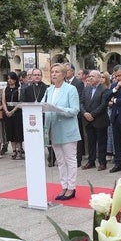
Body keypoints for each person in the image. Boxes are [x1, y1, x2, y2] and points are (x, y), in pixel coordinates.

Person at [43, 63, 81, 201]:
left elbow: (75, 110)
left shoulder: (71, 89)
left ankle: (71, 188)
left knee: (70, 160)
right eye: (52, 71)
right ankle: (63, 186)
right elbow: (42, 105)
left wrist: (58, 109)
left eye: (57, 72)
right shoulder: (49, 90)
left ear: (64, 74)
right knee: (60, 160)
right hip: (53, 129)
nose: (53, 74)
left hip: (67, 130)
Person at [80, 70, 110, 171]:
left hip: (99, 120)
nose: (91, 78)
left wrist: (92, 114)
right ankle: (91, 161)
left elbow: (103, 105)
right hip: (88, 120)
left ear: (98, 77)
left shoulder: (104, 89)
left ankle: (102, 162)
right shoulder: (86, 89)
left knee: (101, 142)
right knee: (90, 142)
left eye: (93, 76)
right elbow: (81, 102)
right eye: (90, 76)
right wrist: (84, 113)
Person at [21, 68, 47, 162]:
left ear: (41, 76)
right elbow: (22, 102)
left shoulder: (47, 88)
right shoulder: (27, 89)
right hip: (32, 118)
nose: (36, 76)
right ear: (31, 76)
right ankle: (34, 156)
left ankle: (50, 157)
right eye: (35, 75)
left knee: (46, 137)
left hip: (44, 116)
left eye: (38, 75)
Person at [65, 63, 85, 167]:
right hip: (64, 115)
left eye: (67, 70)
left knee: (76, 138)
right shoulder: (62, 83)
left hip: (75, 115)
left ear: (72, 71)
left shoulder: (78, 83)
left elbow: (80, 99)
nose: (65, 72)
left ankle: (78, 159)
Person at [2, 72, 24, 160]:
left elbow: (20, 102)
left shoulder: (18, 89)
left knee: (17, 132)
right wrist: (6, 110)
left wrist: (12, 111)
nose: (9, 80)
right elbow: (3, 101)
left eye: (11, 78)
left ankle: (19, 151)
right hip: (7, 113)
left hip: (16, 112)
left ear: (15, 80)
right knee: (10, 132)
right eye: (8, 78)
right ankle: (14, 150)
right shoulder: (5, 89)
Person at [100, 71, 115, 158]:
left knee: (110, 132)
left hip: (109, 111)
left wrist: (106, 103)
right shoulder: (98, 88)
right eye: (100, 77)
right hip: (101, 112)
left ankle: (112, 152)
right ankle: (106, 151)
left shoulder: (110, 87)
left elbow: (111, 101)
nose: (101, 79)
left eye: (103, 77)